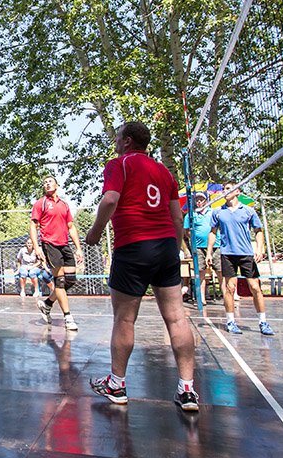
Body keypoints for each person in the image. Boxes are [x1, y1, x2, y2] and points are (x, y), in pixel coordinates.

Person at [84, 121, 200, 412]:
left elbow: (110, 199)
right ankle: (187, 390)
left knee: (124, 319)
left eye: (118, 136)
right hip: (164, 247)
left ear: (127, 141)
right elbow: (177, 218)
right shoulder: (164, 172)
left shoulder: (119, 164)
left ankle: (117, 384)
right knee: (176, 318)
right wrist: (173, 250)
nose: (114, 140)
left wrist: (95, 232)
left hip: (133, 245)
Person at [207, 183, 275, 336]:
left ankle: (263, 322)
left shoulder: (248, 211)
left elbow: (258, 231)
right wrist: (209, 253)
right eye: (224, 189)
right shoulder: (218, 212)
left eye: (229, 189)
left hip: (245, 254)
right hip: (227, 254)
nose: (225, 192)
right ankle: (230, 321)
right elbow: (212, 233)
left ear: (237, 191)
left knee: (255, 287)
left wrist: (259, 248)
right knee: (229, 288)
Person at [30, 175, 84, 331]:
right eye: (44, 183)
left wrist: (78, 248)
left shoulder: (64, 205)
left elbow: (71, 227)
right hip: (49, 245)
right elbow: (33, 226)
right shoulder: (41, 204)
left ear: (57, 185)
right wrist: (37, 246)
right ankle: (68, 317)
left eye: (49, 181)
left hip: (64, 245)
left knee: (70, 281)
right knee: (59, 281)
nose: (47, 184)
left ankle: (47, 304)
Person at [182, 192, 216, 304]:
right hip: (199, 247)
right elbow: (186, 231)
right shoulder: (190, 215)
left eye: (201, 199)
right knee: (200, 272)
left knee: (220, 271)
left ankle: (228, 296)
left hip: (216, 246)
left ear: (206, 200)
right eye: (197, 200)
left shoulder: (213, 213)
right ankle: (201, 298)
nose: (199, 202)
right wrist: (194, 239)